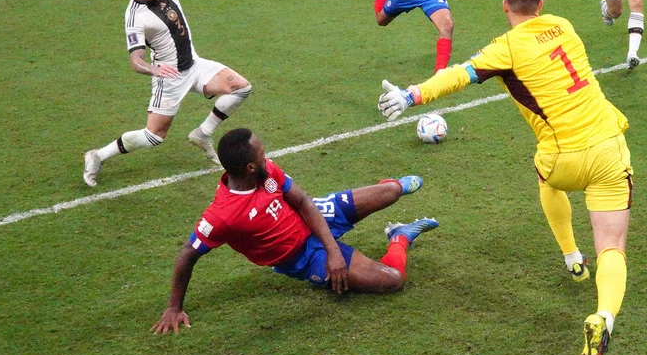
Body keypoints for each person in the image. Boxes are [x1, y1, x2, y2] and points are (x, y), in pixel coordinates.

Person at [376, 0, 633, 355]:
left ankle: (571, 257)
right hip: (609, 148)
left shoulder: (505, 48)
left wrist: (413, 94)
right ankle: (604, 317)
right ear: (541, 3)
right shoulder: (563, 25)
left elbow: (460, 74)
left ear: (505, 6)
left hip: (562, 157)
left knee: (547, 178)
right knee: (612, 247)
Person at [151, 128, 438, 333]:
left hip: (315, 215)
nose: (267, 156)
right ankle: (399, 236)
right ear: (249, 167)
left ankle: (390, 186)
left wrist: (334, 250)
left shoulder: (266, 171)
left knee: (391, 191)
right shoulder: (222, 215)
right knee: (392, 281)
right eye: (262, 153)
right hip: (302, 256)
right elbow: (188, 254)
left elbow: (302, 201)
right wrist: (174, 307)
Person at [82, 0, 252, 187]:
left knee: (241, 87)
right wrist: (154, 69)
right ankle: (97, 155)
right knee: (154, 136)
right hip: (169, 78)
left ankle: (203, 133)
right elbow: (136, 60)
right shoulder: (135, 18)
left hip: (194, 64)